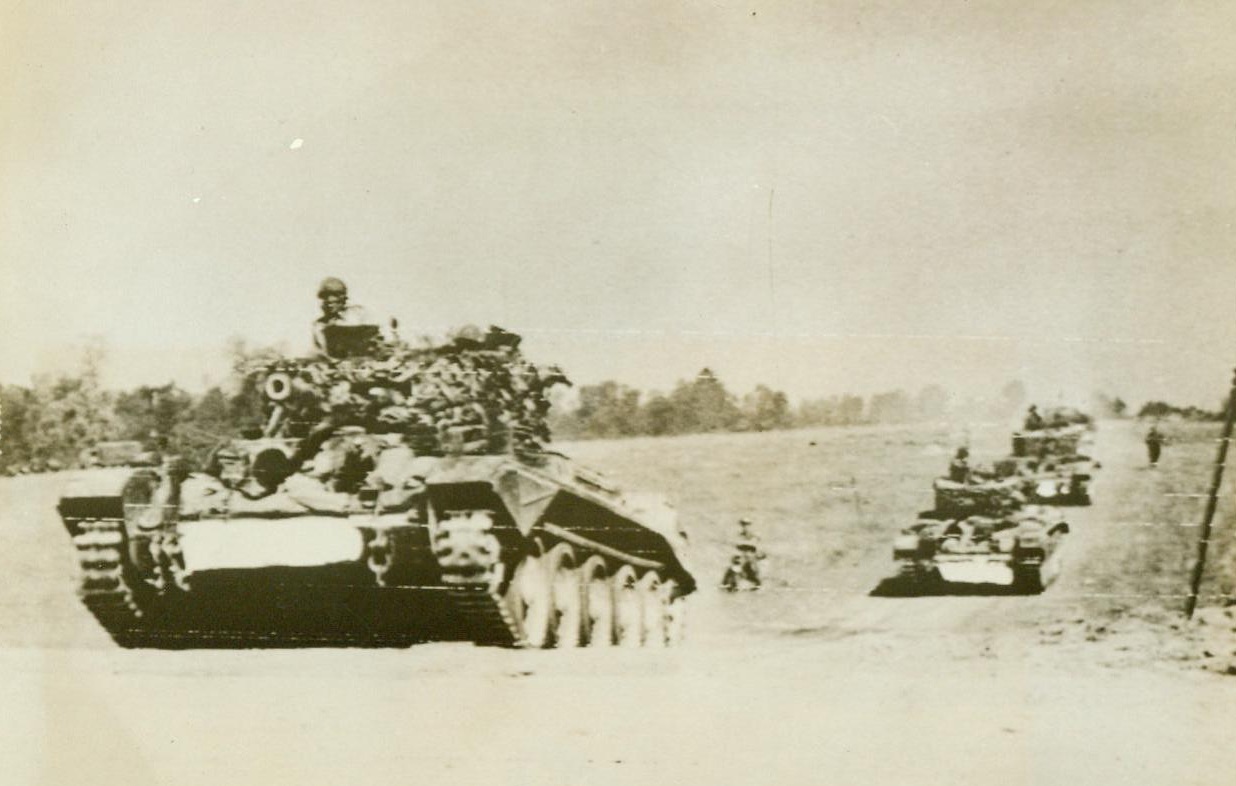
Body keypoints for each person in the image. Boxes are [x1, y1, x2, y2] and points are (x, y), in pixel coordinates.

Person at [311, 277, 375, 357]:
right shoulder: (319, 325)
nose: (329, 304)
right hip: (335, 364)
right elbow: (321, 352)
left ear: (343, 299)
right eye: (326, 299)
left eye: (334, 301)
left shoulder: (358, 314)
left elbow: (373, 338)